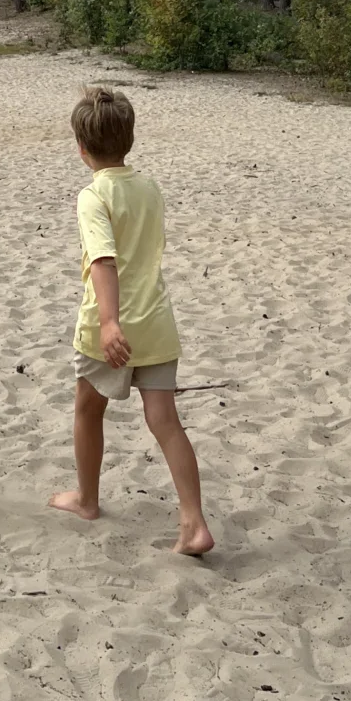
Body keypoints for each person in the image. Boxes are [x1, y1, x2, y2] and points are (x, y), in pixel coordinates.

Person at [49, 86, 213, 556]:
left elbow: (102, 260)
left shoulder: (92, 195)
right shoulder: (149, 187)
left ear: (81, 148)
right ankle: (193, 521)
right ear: (130, 139)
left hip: (114, 325)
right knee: (165, 422)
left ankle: (87, 500)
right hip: (158, 321)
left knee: (87, 409)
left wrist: (108, 322)